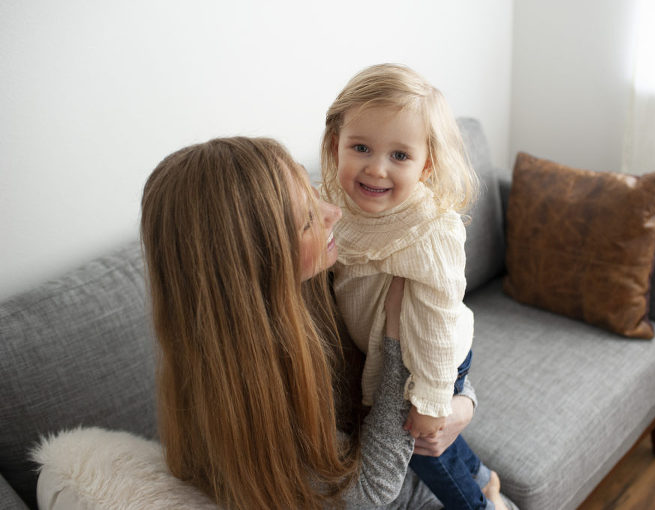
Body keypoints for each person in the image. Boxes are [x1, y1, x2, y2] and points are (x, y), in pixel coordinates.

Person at [140, 136, 502, 509]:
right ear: (256, 265)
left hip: (426, 460)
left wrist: (462, 405)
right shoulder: (246, 401)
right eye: (308, 220)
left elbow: (440, 341)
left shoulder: (332, 275)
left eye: (314, 192)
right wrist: (396, 338)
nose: (334, 213)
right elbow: (368, 492)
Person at [321, 64, 506, 510]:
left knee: (427, 452)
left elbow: (439, 321)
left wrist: (432, 399)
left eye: (399, 156)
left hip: (431, 359)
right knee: (434, 444)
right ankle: (484, 477)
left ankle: (481, 504)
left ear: (427, 165)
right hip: (391, 353)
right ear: (334, 145)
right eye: (360, 148)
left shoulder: (430, 229)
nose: (376, 168)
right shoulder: (335, 204)